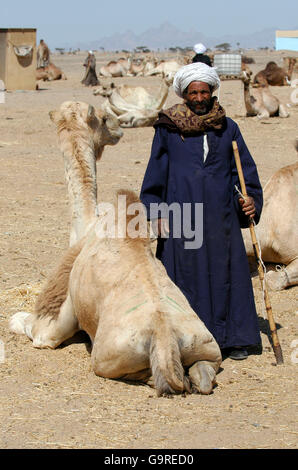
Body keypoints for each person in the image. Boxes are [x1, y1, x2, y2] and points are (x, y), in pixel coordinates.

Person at [140, 62, 263, 360]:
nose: (198, 98)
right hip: (182, 218)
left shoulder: (228, 128)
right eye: (193, 92)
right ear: (185, 94)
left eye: (203, 91)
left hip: (221, 219)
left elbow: (244, 175)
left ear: (212, 91)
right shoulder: (168, 128)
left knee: (226, 275)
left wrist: (250, 202)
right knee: (185, 277)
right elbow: (155, 174)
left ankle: (232, 339)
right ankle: (187, 338)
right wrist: (155, 211)